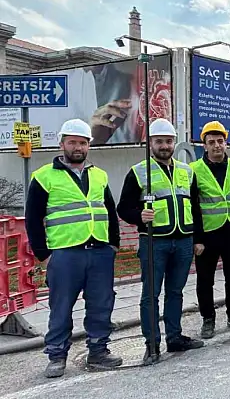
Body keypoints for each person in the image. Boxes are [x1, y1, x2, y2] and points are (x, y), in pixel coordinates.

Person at [25, 119, 122, 378]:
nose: (77, 147)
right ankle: (57, 355)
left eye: (82, 143)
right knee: (61, 307)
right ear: (62, 144)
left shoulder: (99, 175)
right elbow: (32, 219)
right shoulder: (44, 176)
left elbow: (109, 210)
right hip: (65, 253)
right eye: (72, 142)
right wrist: (44, 256)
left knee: (101, 304)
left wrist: (113, 244)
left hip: (99, 250)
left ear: (89, 145)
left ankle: (99, 350)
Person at [117, 118, 204, 364]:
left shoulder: (187, 171)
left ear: (174, 142)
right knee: (151, 295)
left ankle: (174, 338)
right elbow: (123, 207)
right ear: (150, 143)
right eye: (159, 141)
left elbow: (195, 208)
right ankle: (152, 345)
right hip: (154, 242)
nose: (164, 146)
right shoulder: (138, 172)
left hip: (184, 241)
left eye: (168, 141)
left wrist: (198, 239)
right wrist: (139, 217)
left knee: (175, 292)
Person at [190, 121, 230, 339]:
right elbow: (193, 206)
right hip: (208, 233)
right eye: (212, 142)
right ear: (204, 145)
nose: (216, 145)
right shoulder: (194, 169)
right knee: (205, 279)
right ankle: (208, 319)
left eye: (220, 141)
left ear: (226, 143)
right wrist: (197, 238)